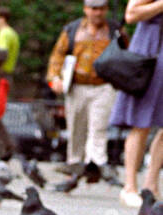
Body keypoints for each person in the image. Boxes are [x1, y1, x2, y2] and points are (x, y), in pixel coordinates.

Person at [47, 0, 117, 183]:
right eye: (94, 8)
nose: (98, 13)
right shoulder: (72, 29)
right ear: (86, 9)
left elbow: (127, 54)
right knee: (76, 128)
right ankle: (75, 166)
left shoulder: (114, 30)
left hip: (104, 85)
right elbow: (57, 55)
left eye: (101, 8)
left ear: (106, 9)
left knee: (98, 126)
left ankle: (96, 165)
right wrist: (55, 78)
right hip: (76, 85)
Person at [110, 0, 163, 206]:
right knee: (141, 122)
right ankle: (129, 186)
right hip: (151, 53)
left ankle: (151, 185)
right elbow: (131, 14)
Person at [0, 7, 19, 119]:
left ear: (2, 19)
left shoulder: (5, 34)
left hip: (0, 76)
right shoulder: (10, 33)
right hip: (4, 76)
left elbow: (0, 55)